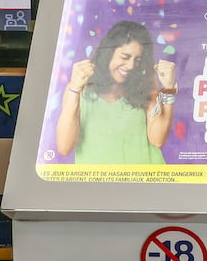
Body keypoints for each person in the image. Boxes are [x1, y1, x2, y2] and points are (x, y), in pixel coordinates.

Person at [56, 20, 176, 164]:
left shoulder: (146, 84)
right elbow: (64, 147)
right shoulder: (79, 87)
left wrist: (168, 90)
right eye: (125, 57)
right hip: (99, 184)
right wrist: (75, 89)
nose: (131, 65)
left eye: (137, 59)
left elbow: (157, 140)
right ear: (108, 53)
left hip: (144, 181)